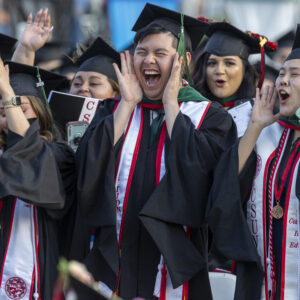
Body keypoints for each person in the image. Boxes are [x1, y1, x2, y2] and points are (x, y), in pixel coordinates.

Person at [76, 3, 236, 300]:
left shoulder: (209, 117)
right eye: (141, 52)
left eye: (160, 54)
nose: (149, 60)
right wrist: (126, 105)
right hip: (115, 263)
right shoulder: (113, 110)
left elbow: (206, 182)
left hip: (175, 269)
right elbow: (86, 173)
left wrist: (172, 106)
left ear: (183, 61)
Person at [207, 24, 300, 300]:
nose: (282, 80)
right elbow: (223, 191)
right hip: (256, 287)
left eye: (294, 75)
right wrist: (255, 127)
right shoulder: (266, 136)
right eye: (281, 73)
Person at [0, 60, 75, 300]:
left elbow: (29, 153)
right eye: (3, 112)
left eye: (20, 110)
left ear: (41, 110)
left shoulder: (59, 155)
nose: (9, 114)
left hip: (41, 268)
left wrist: (7, 93)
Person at [192, 22, 276, 109]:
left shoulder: (258, 114)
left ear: (245, 70)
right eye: (212, 63)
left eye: (229, 63)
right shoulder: (190, 110)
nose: (219, 70)